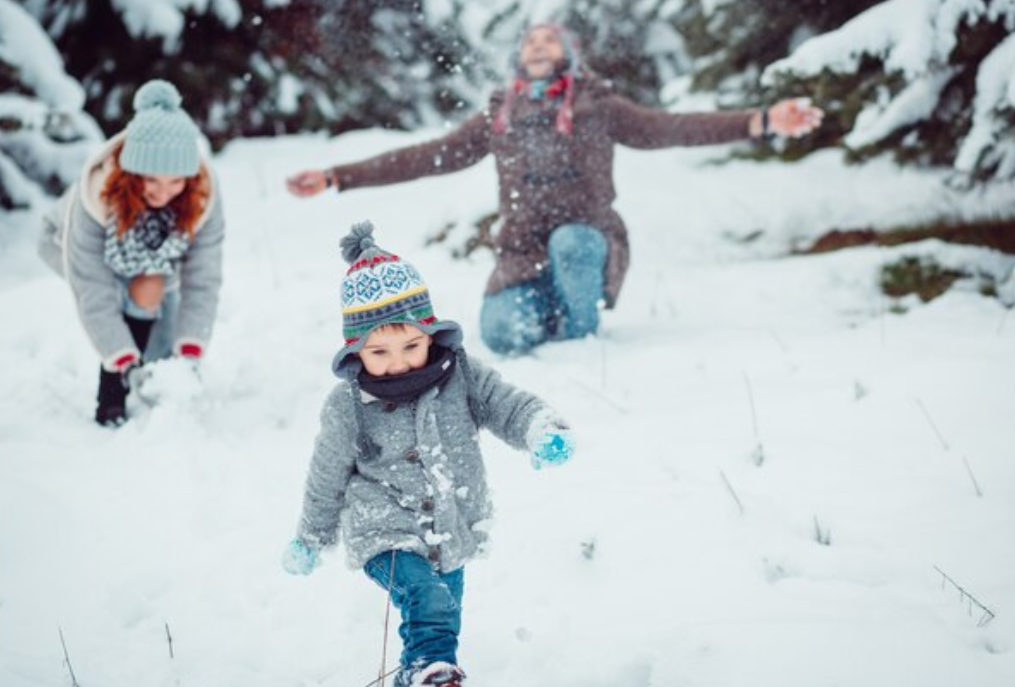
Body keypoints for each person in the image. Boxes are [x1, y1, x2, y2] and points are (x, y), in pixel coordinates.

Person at [286, 23, 823, 355]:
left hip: (587, 242)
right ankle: (555, 311)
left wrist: (762, 120)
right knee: (499, 335)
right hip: (522, 254)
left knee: (573, 243)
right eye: (531, 39)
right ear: (520, 57)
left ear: (567, 54)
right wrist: (339, 177)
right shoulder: (501, 116)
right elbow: (427, 157)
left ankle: (580, 341)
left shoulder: (599, 107)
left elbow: (674, 128)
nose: (539, 45)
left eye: (550, 39)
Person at [280, 221, 574, 687]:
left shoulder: (459, 375)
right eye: (380, 351)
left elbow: (505, 404)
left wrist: (539, 430)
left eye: (411, 345)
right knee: (427, 598)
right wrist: (310, 537)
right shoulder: (348, 405)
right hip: (381, 527)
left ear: (431, 335)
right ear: (355, 350)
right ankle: (426, 671)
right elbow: (326, 475)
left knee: (442, 617)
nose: (398, 362)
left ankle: (428, 677)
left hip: (450, 525)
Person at [38, 79, 225, 427]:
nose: (163, 193)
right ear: (131, 172)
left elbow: (204, 276)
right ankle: (111, 396)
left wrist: (192, 344)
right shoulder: (98, 194)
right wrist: (118, 351)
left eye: (175, 182)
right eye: (151, 181)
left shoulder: (203, 196)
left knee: (162, 354)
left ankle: (145, 358)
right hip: (63, 244)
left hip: (148, 255)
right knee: (139, 300)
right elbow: (92, 285)